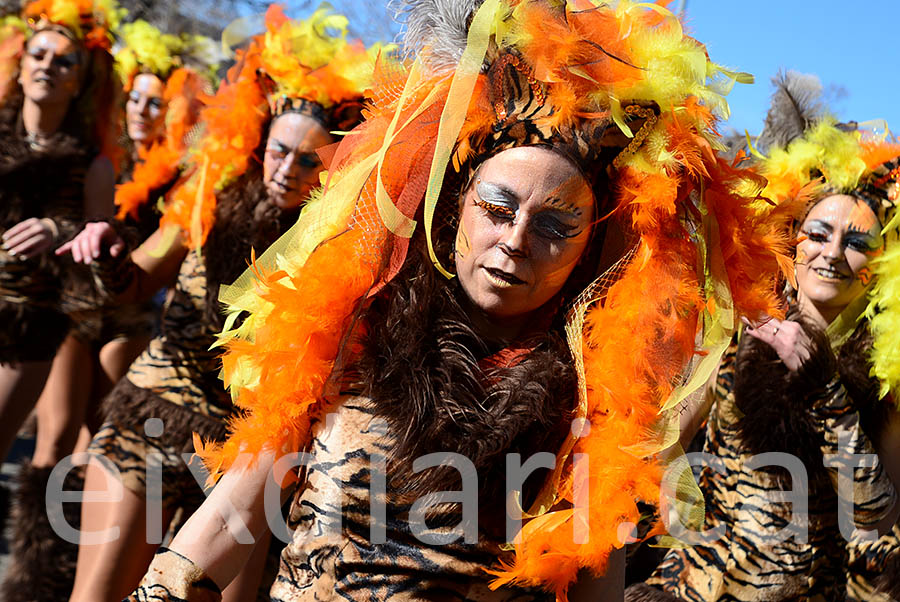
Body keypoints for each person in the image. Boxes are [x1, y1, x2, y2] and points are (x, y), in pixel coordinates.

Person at [125, 1, 793, 600]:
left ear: (589, 250)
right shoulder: (356, 327)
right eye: (498, 208)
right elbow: (235, 514)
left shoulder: (597, 403)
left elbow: (594, 581)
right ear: (456, 209)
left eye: (556, 226)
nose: (514, 243)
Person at [59, 6, 380, 601]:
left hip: (245, 452)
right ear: (261, 142)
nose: (286, 169)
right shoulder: (211, 194)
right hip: (153, 413)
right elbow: (139, 278)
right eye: (279, 151)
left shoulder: (337, 247)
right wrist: (109, 256)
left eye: (309, 160)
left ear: (331, 170)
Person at [627, 73, 900, 602]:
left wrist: (825, 390)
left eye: (856, 241)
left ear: (881, 261)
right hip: (694, 587)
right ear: (792, 243)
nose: (831, 252)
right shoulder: (740, 326)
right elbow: (664, 443)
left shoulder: (886, 367)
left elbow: (879, 515)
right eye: (817, 233)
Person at [0, 1, 121, 599]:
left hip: (25, 333)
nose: (47, 66)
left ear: (80, 81)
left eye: (63, 61)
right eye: (39, 55)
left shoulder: (91, 164)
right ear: (20, 64)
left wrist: (61, 230)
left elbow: (101, 241)